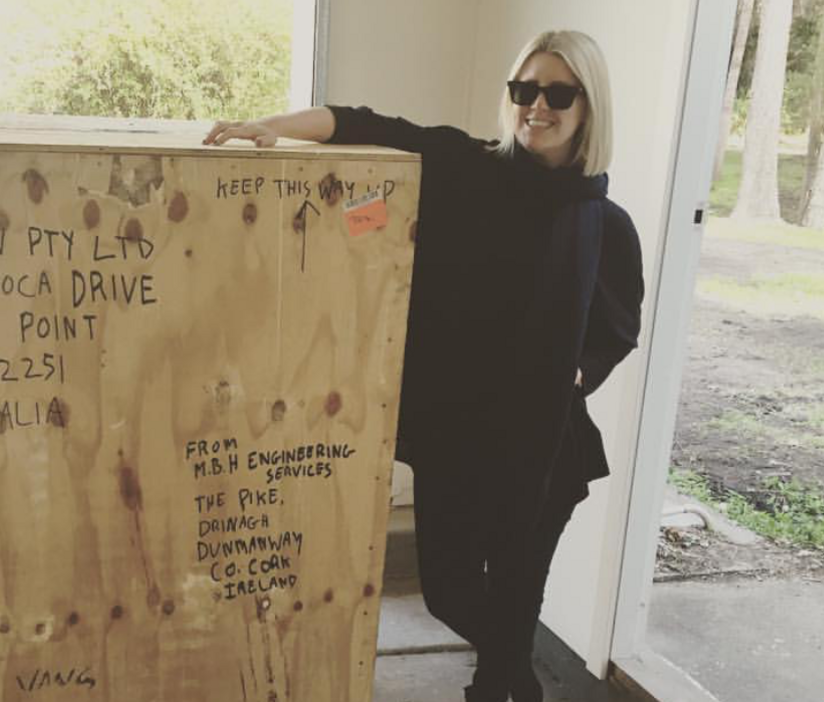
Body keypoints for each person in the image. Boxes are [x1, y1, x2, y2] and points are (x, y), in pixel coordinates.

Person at [205, 30, 645, 702]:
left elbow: (615, 329)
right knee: (449, 592)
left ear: (589, 106)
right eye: (524, 90)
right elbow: (362, 123)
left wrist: (578, 373)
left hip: (545, 449)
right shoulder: (465, 168)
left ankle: (500, 686)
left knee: (518, 596)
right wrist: (267, 127)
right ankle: (512, 675)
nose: (537, 106)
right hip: (458, 437)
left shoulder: (604, 224)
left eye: (558, 93)